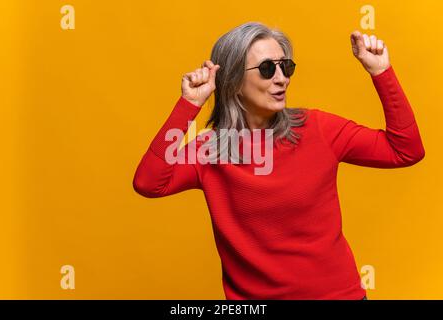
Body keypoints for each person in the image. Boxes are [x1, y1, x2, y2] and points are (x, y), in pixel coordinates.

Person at [132, 22, 425, 300]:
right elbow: (148, 183)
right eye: (266, 69)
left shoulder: (317, 128)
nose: (281, 78)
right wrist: (189, 105)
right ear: (233, 81)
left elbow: (405, 150)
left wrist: (382, 72)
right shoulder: (211, 150)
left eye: (285, 67)